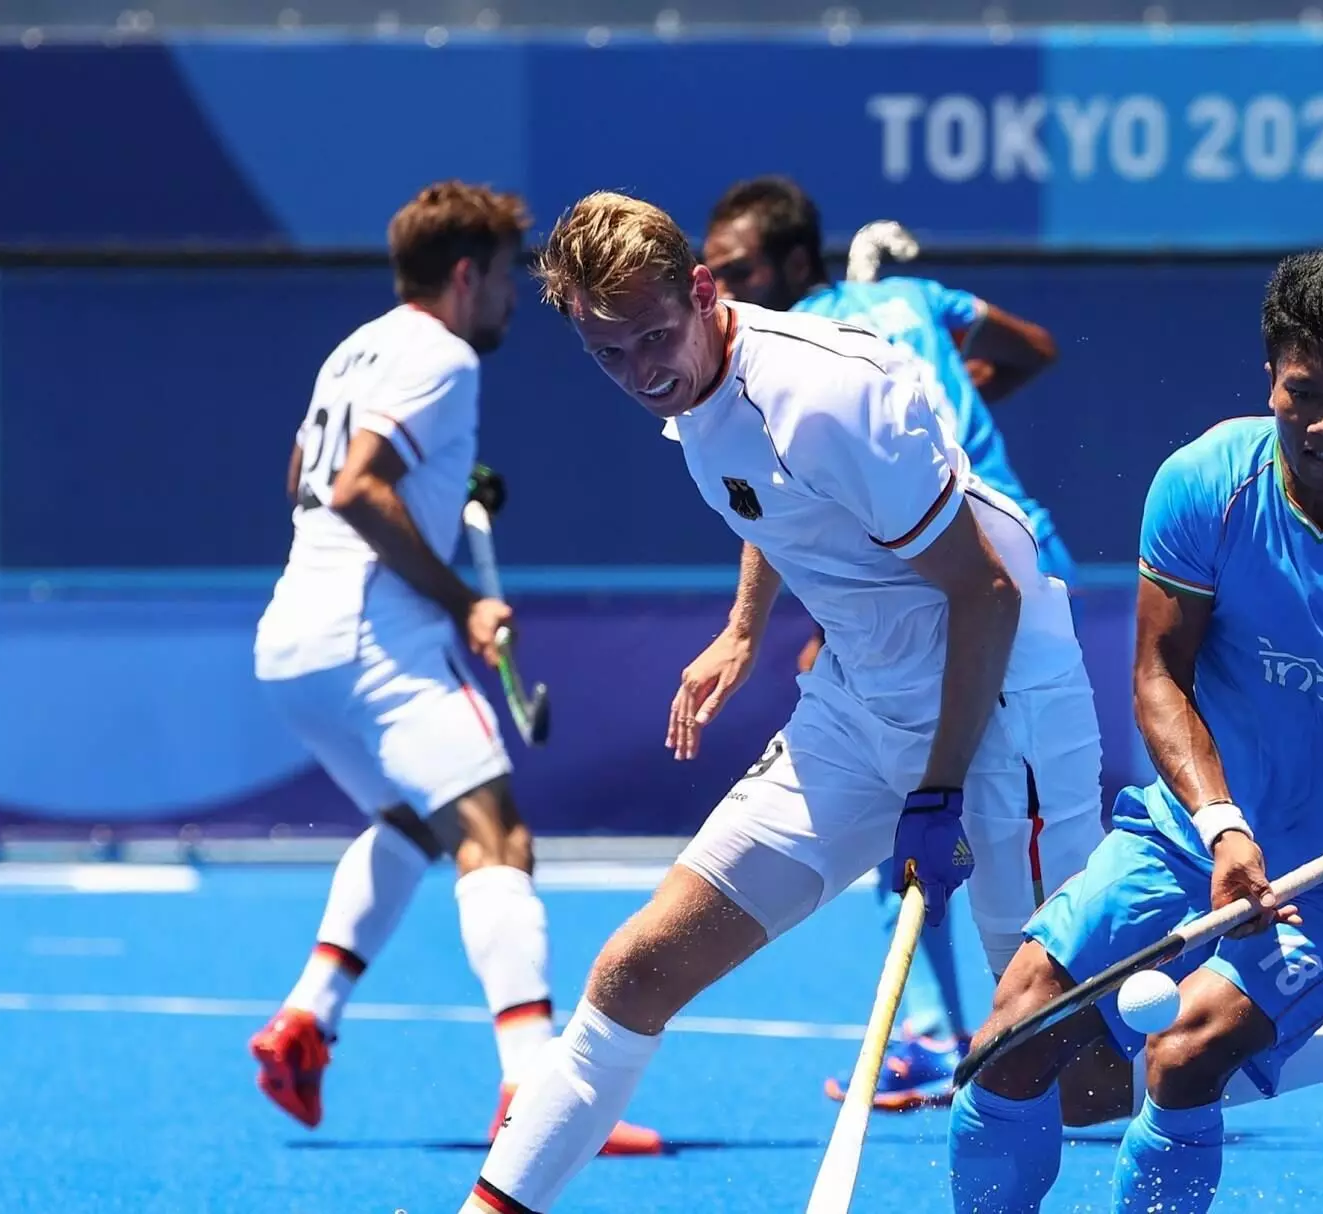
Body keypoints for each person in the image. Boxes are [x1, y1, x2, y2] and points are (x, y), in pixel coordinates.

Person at [459, 190, 1105, 1214]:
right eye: (607, 354)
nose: (639, 373)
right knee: (636, 968)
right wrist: (747, 627)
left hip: (1001, 700)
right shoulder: (695, 385)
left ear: (704, 290)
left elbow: (983, 590)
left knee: (1075, 1069)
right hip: (858, 699)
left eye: (652, 339)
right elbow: (778, 500)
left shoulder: (826, 391)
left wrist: (937, 788)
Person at [950, 251, 1323, 1213]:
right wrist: (1224, 823)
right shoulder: (1205, 483)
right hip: (1186, 834)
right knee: (1013, 1044)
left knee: (1184, 1057)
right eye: (1302, 393)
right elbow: (1159, 673)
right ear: (1270, 376)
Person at [247, 181, 660, 1155]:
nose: (515, 297)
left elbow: (303, 476)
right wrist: (461, 600)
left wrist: (437, 500)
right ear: (467, 275)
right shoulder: (442, 355)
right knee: (499, 838)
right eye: (509, 275)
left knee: (414, 819)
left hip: (292, 640)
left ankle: (307, 1016)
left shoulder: (355, 347)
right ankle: (533, 1089)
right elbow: (357, 487)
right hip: (376, 640)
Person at [700, 175, 1067, 1109]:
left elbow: (806, 501)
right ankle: (996, 1028)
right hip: (1021, 555)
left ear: (789, 266)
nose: (720, 290)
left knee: (930, 816)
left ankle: (959, 1034)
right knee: (992, 828)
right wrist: (960, 398)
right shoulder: (919, 299)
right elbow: (1035, 348)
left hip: (948, 583)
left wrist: (762, 630)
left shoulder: (791, 357)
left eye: (736, 271)